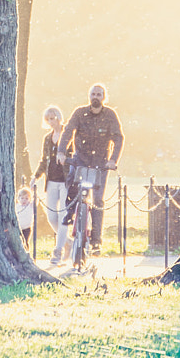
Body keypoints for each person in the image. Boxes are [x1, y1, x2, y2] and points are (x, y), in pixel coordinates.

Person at [57, 82, 124, 255]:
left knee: (98, 201)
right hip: (80, 159)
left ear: (104, 98)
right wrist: (61, 152)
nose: (96, 97)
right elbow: (68, 131)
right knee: (71, 184)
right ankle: (70, 213)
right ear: (89, 96)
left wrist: (112, 160)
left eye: (99, 94)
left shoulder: (110, 115)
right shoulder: (79, 113)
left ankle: (96, 241)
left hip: (100, 163)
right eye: (93, 94)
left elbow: (118, 138)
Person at [33, 105, 71, 266]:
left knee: (63, 216)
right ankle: (69, 242)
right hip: (52, 181)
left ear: (59, 117)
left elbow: (75, 156)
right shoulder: (48, 138)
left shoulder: (69, 134)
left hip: (66, 181)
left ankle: (58, 251)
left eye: (53, 118)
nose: (51, 121)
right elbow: (44, 160)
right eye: (48, 119)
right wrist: (36, 176)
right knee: (51, 217)